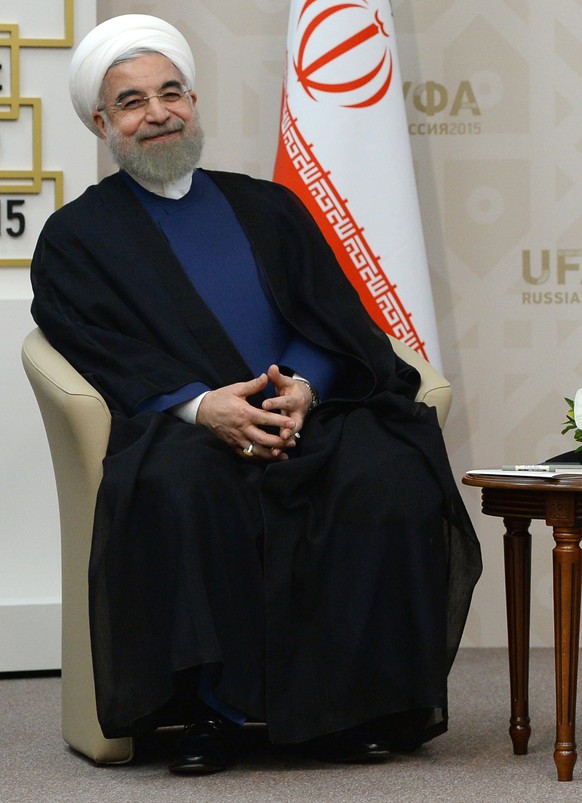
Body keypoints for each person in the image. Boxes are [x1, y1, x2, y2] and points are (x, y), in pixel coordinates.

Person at [31, 14, 482, 776]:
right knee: (181, 482)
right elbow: (98, 346)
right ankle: (206, 710)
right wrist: (201, 405)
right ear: (102, 122)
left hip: (302, 412)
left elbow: (335, 317)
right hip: (185, 425)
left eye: (171, 93)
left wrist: (304, 388)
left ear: (194, 101)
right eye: (133, 102)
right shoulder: (78, 237)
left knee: (387, 465)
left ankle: (357, 704)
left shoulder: (267, 206)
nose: (158, 113)